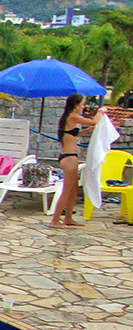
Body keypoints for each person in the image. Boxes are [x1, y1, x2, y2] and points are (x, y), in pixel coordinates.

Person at [51, 94, 117, 229]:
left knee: (74, 189)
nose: (83, 107)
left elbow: (73, 134)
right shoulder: (72, 116)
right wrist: (100, 111)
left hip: (69, 156)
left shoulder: (68, 118)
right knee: (67, 190)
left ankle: (68, 218)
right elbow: (94, 121)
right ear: (76, 105)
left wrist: (88, 131)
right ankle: (55, 220)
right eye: (82, 104)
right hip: (69, 157)